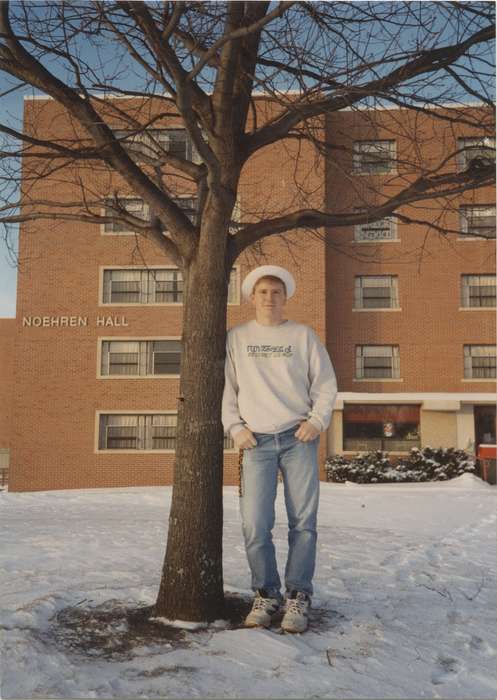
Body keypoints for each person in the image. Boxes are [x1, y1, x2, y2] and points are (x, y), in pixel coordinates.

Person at [222, 265, 338, 633]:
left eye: (275, 292)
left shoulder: (303, 336)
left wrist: (316, 422)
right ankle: (267, 594)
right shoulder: (237, 338)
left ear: (285, 297)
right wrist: (235, 428)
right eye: (262, 292)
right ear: (251, 298)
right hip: (254, 441)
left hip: (297, 438)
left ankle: (298, 597)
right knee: (255, 524)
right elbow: (227, 389)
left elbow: (325, 384)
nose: (269, 297)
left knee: (303, 523)